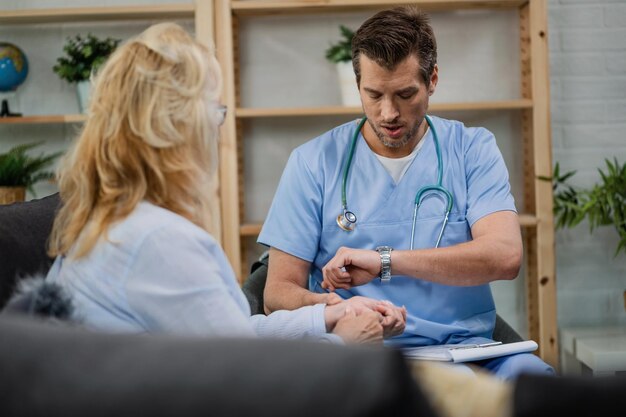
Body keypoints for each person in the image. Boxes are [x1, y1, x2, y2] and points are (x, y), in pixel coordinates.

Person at [44, 22, 404, 345]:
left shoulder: (112, 222)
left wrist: (329, 315)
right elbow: (242, 379)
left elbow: (231, 333)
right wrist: (343, 344)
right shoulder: (160, 241)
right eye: (216, 113)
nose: (220, 133)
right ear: (180, 129)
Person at [259, 6, 553, 379]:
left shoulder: (471, 149)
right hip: (359, 355)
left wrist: (385, 261)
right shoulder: (313, 162)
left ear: (432, 80)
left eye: (404, 94)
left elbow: (505, 256)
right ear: (358, 85)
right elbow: (277, 292)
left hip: (467, 353)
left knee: (541, 386)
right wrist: (335, 308)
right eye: (373, 94)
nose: (388, 113)